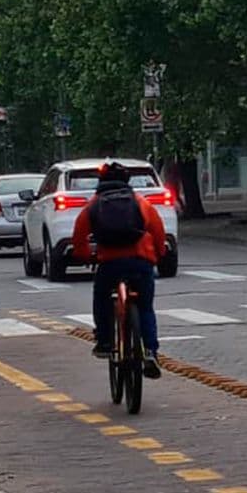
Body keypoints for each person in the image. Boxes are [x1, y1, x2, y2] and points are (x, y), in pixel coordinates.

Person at [73, 161, 165, 379]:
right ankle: (150, 351)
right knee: (145, 307)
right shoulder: (140, 202)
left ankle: (105, 341)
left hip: (110, 263)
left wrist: (86, 256)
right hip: (140, 260)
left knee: (102, 295)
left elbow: (79, 236)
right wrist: (159, 255)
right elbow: (158, 231)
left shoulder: (93, 205)